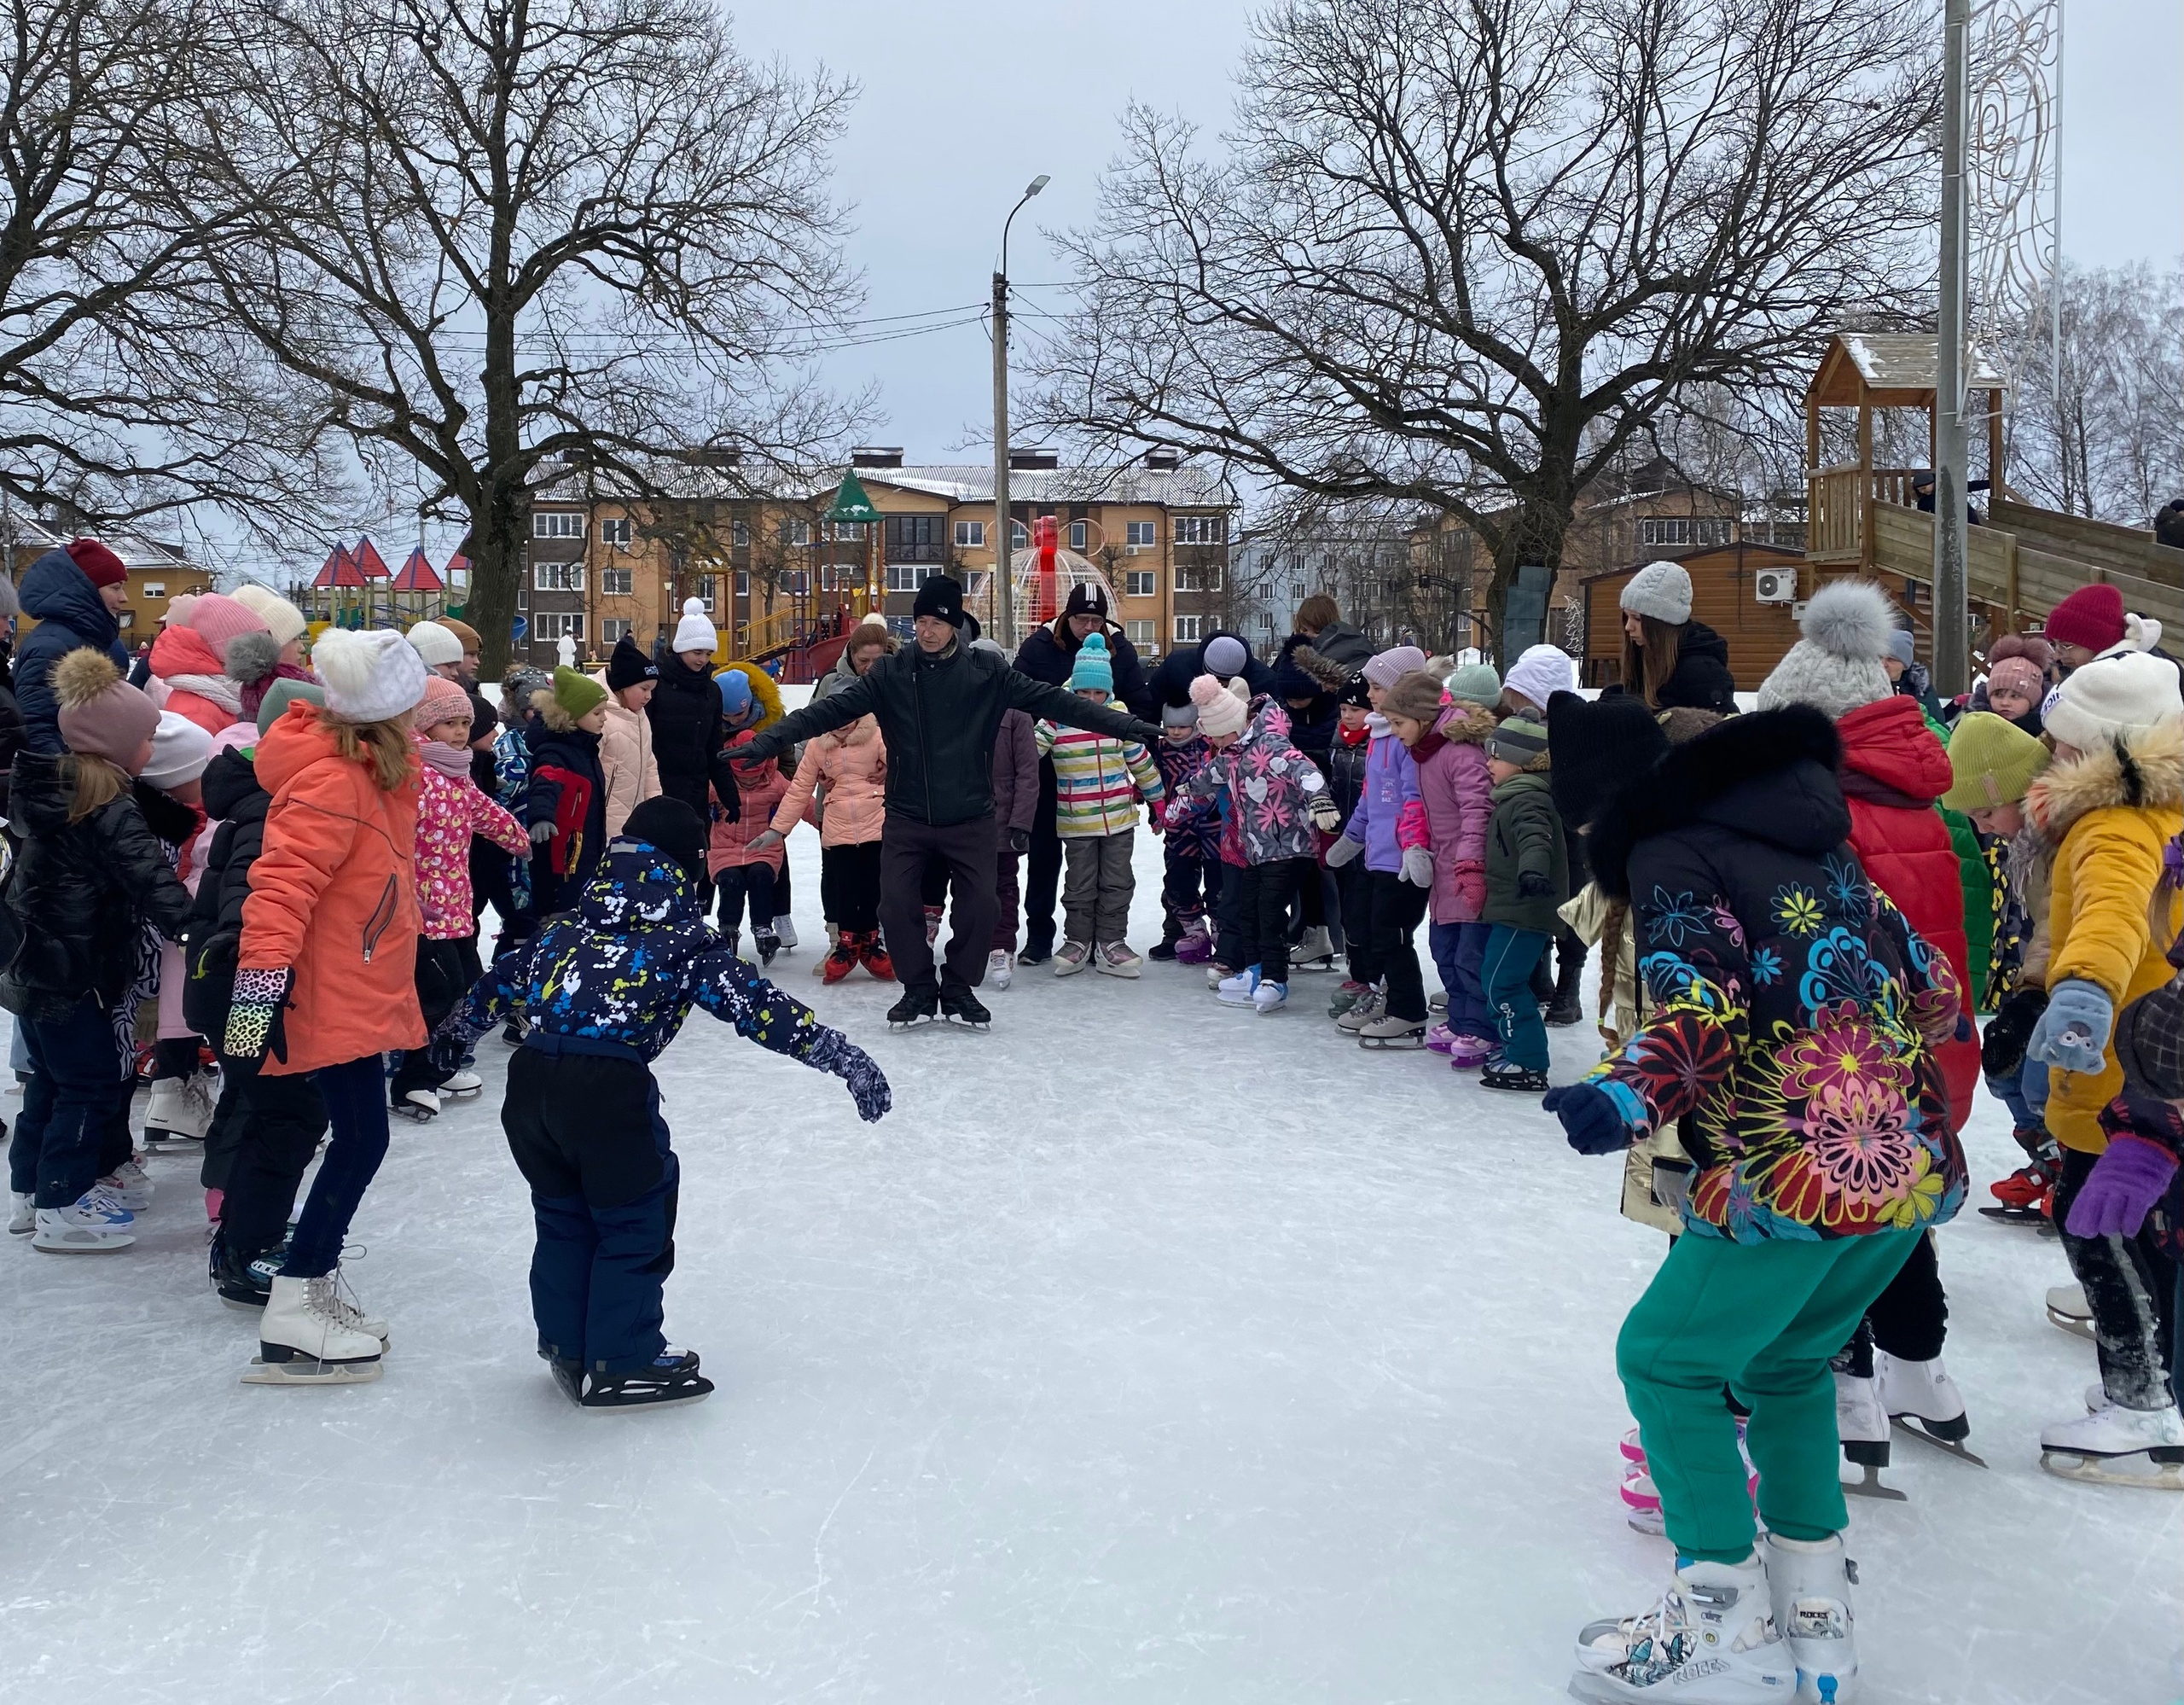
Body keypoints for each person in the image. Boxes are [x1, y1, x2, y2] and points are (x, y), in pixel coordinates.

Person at [1547, 704, 1964, 1705]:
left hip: (1794, 1172)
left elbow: (1700, 1012)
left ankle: (1722, 1621)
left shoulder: (1673, 852)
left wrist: (1623, 1093)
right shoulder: (1827, 847)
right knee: (1783, 1365)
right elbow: (1937, 992)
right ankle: (1815, 1626)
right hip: (1899, 1169)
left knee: (1662, 1360)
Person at [445, 797, 890, 1409]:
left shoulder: (566, 926)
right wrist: (842, 1057)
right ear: (687, 867)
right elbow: (761, 1010)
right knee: (633, 1224)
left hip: (530, 1088)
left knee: (563, 1219)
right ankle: (622, 1359)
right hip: (607, 1092)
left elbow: (494, 986)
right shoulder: (682, 941)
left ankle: (568, 1343)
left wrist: (447, 1046)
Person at [1757, 579, 1981, 1464]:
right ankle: (1920, 1370)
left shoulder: (1822, 810)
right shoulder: (1915, 790)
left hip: (1852, 1046)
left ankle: (1849, 1387)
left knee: (1839, 1209)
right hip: (1933, 1037)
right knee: (1900, 1209)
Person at [739, 577, 1161, 1029]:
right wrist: (768, 740)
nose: (927, 631)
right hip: (907, 814)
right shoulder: (890, 674)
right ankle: (919, 989)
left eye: (937, 621)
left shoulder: (987, 673)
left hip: (971, 816)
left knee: (982, 905)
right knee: (896, 905)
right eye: (920, 621)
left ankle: (959, 987)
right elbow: (825, 712)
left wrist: (1126, 726)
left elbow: (1056, 701)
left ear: (955, 625)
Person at [216, 627, 433, 1383]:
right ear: (390, 714)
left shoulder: (375, 773)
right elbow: (277, 893)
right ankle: (296, 1304)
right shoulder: (335, 781)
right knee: (361, 1140)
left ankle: (306, 1288)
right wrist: (253, 1010)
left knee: (359, 1138)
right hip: (327, 994)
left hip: (358, 984)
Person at [2018, 650, 2184, 1478]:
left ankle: (2142, 1405)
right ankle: (2149, 1386)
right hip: (2158, 1067)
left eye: (2059, 743)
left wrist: (2079, 993)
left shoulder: (2113, 825)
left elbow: (2111, 925)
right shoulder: (2167, 812)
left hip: (2114, 1070)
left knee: (2098, 1226)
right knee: (2145, 1233)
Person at [2, 652, 193, 1250]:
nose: (151, 749)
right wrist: (193, 928)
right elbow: (147, 876)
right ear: (117, 746)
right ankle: (64, 1201)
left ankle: (31, 1189)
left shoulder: (63, 788)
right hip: (72, 969)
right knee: (84, 1081)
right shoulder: (108, 805)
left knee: (51, 1082)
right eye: (146, 738)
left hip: (39, 965)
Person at [184, 680, 334, 1309]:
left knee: (260, 1103)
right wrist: (261, 998)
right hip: (244, 987)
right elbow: (250, 912)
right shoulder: (274, 810)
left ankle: (242, 1225)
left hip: (237, 986)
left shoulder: (261, 799)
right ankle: (248, 1247)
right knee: (287, 1111)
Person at [388, 675, 530, 1120]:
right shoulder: (412, 773)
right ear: (425, 725)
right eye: (449, 722)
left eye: (465, 722)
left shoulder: (456, 773)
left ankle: (441, 1064)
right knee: (436, 992)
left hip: (455, 905)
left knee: (463, 988)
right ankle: (413, 1080)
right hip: (419, 908)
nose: (460, 732)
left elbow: (483, 810)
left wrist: (518, 838)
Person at [1941, 712, 2058, 1220]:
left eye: (1987, 812)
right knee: (2006, 1069)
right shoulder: (2028, 840)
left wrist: (2034, 995)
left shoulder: (2064, 837)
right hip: (2049, 975)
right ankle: (2051, 1157)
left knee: (2040, 1078)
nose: (1982, 827)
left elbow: (2063, 919)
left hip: (2087, 982)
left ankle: (2079, 1164)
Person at [1013, 584, 1154, 963]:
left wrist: (1117, 733)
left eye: (1096, 619)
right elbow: (1014, 699)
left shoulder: (1119, 650)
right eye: (1081, 618)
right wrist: (1040, 737)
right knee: (1046, 859)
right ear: (1066, 616)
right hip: (1050, 772)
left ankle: (1103, 938)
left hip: (1105, 778)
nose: (1088, 625)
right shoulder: (1038, 648)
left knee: (1107, 869)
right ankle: (1041, 934)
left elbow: (1140, 707)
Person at [1037, 634, 1165, 978]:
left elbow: (1142, 762)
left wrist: (1158, 801)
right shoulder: (1055, 719)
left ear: (1108, 692)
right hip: (1077, 821)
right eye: (1083, 693)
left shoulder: (1118, 720)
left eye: (1097, 693)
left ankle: (1111, 941)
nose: (1090, 700)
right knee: (1079, 883)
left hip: (1120, 819)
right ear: (1074, 690)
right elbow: (1027, 750)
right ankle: (1078, 941)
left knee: (1118, 881)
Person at [1324, 645, 1433, 1047]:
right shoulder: (1381, 735)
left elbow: (1413, 799)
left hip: (1403, 860)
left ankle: (1408, 1011)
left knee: (1393, 935)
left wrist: (1414, 848)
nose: (1369, 695)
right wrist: (1351, 838)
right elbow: (1371, 799)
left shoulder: (1408, 740)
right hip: (1376, 855)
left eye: (1376, 687)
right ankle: (1386, 996)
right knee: (1371, 933)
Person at [1392, 662, 1497, 1066]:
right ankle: (1460, 1020)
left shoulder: (1459, 753)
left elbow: (1478, 810)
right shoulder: (1423, 752)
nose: (1397, 732)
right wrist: (1414, 843)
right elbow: (1417, 807)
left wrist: (1471, 864)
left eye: (1400, 722)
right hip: (1442, 869)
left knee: (1470, 957)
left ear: (1421, 718)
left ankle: (1482, 1029)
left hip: (1465, 869)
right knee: (1443, 951)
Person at [753, 702, 890, 985]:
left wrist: (889, 773)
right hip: (837, 827)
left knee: (874, 886)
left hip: (876, 824)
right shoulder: (818, 746)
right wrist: (777, 830)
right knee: (844, 888)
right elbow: (799, 790)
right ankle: (847, 943)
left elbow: (905, 764)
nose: (842, 724)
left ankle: (872, 943)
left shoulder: (876, 736)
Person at [1472, 714, 1566, 1091]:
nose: (1488, 763)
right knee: (1499, 980)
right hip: (1513, 908)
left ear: (1523, 761)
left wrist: (1533, 873)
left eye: (1495, 756)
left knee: (1502, 983)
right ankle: (1518, 1050)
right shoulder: (1515, 797)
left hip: (1525, 909)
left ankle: (1527, 1061)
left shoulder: (1528, 799)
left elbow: (1535, 840)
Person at [644, 599, 741, 899]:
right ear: (681, 649)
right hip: (659, 789)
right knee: (659, 866)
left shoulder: (711, 690)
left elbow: (715, 747)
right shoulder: (656, 685)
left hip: (696, 791)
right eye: (697, 652)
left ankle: (692, 923)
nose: (703, 659)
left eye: (708, 653)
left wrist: (729, 795)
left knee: (694, 866)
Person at [15, 538, 131, 754]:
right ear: (86, 590)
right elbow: (37, 728)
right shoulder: (51, 646)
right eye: (115, 588)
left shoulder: (93, 639)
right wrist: (69, 780)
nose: (124, 598)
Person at [973, 637, 1040, 991]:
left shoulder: (1016, 712)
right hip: (964, 818)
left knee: (1003, 886)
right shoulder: (959, 706)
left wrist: (1020, 822)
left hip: (1002, 820)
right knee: (969, 888)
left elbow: (1029, 772)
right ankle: (968, 948)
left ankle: (1001, 946)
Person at [526, 667, 612, 918]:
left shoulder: (586, 748)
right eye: (597, 712)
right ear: (573, 715)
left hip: (587, 851)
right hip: (562, 856)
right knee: (563, 911)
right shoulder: (556, 752)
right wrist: (541, 815)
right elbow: (545, 782)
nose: (604, 718)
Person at [708, 718, 791, 963]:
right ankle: (728, 926)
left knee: (761, 876)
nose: (749, 781)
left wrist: (825, 824)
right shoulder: (719, 783)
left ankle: (763, 928)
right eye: (744, 777)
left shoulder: (776, 782)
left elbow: (801, 803)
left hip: (763, 848)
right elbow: (692, 801)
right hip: (725, 848)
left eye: (754, 775)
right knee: (731, 880)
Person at [1149, 698, 1217, 964]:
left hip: (1214, 828)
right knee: (1178, 880)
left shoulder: (1211, 745)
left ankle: (1221, 932)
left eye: (1183, 727)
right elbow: (1150, 779)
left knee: (1219, 882)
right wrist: (1152, 807)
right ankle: (1192, 931)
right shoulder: (1159, 749)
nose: (1176, 732)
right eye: (1170, 727)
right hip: (1178, 829)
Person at [1323, 674, 1375, 1014]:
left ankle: (1374, 976)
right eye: (1343, 708)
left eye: (1355, 709)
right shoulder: (1338, 743)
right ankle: (1358, 972)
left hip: (1371, 844)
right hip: (1342, 838)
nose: (1348, 715)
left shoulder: (1380, 743)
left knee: (1368, 913)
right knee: (1348, 911)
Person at [595, 633, 663, 836]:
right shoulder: (601, 718)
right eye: (644, 688)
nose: (649, 696)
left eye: (652, 690)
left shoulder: (640, 717)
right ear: (624, 686)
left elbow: (649, 764)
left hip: (636, 820)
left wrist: (655, 805)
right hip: (605, 822)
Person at [1290, 593, 1374, 672]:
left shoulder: (1343, 652)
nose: (1310, 635)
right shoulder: (1359, 644)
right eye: (1304, 630)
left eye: (1318, 630)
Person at [1981, 642, 2048, 736]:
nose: (2005, 703)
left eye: (2015, 696)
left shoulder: (2049, 737)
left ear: (2034, 701)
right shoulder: (1974, 727)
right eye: (1998, 695)